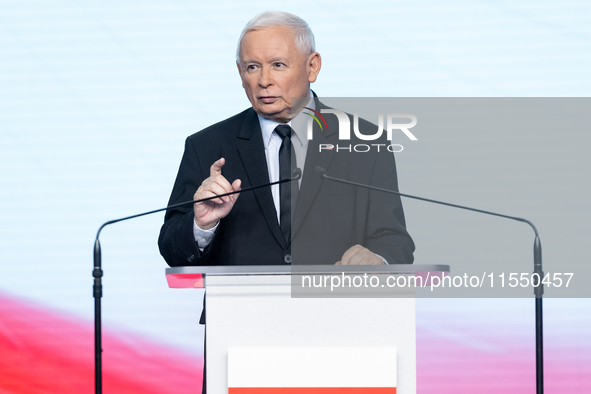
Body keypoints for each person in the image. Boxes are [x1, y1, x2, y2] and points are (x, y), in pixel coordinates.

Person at [158, 11, 414, 269]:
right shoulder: (206, 146)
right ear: (240, 73)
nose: (264, 81)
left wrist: (378, 259)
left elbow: (395, 240)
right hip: (239, 308)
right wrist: (201, 225)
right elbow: (172, 249)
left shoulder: (366, 142)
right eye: (252, 67)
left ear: (312, 67)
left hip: (335, 306)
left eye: (278, 65)